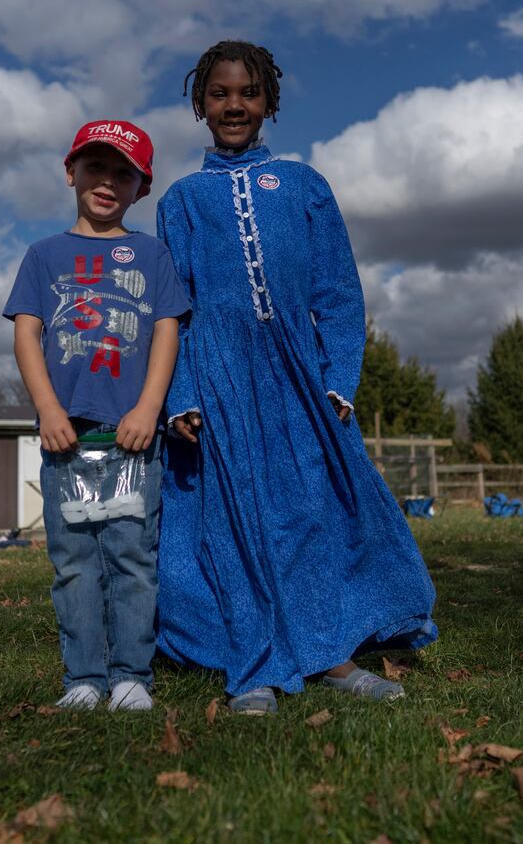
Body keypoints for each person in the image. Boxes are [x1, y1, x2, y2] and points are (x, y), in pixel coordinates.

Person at [155, 41, 438, 715]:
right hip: (219, 380)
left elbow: (337, 290)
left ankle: (332, 654)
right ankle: (252, 665)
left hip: (300, 381)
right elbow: (174, 310)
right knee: (233, 518)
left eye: (247, 93)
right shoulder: (182, 200)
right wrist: (181, 393)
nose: (233, 105)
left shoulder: (305, 185)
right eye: (219, 94)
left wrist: (338, 376)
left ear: (269, 103)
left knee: (313, 510)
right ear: (200, 104)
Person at [3, 119, 188, 712]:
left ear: (143, 187)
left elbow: (165, 334)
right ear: (70, 172)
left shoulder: (153, 256)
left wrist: (148, 407)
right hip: (66, 442)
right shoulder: (43, 256)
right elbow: (28, 336)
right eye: (95, 168)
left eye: (123, 173)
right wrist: (49, 408)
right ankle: (83, 679)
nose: (107, 182)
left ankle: (132, 676)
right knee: (75, 564)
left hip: (134, 439)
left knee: (134, 559)